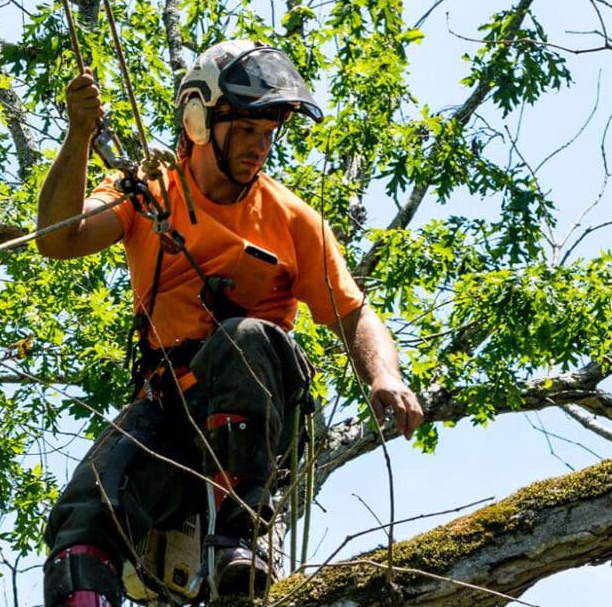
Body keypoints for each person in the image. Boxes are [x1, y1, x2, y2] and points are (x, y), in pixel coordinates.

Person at [36, 39, 423, 607]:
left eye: (270, 133)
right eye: (247, 130)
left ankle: (242, 534)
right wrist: (78, 136)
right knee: (83, 511)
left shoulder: (292, 219)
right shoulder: (149, 193)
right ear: (198, 119)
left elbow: (353, 312)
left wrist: (383, 376)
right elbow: (57, 238)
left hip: (256, 419)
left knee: (241, 339)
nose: (260, 147)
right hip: (171, 412)